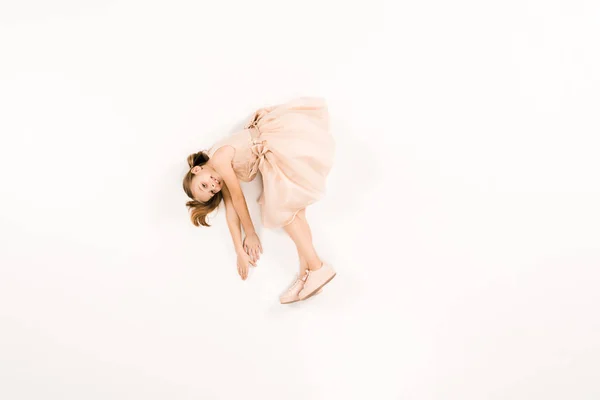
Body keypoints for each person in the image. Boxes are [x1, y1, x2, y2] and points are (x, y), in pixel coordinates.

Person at [182, 97, 336, 304]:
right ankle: (306, 274)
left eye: (204, 184)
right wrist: (239, 250)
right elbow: (231, 212)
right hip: (274, 156)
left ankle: (317, 267)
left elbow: (238, 198)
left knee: (281, 211)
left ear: (197, 169)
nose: (213, 186)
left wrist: (252, 233)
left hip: (278, 144)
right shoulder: (218, 173)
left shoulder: (218, 159)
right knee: (295, 211)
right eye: (211, 191)